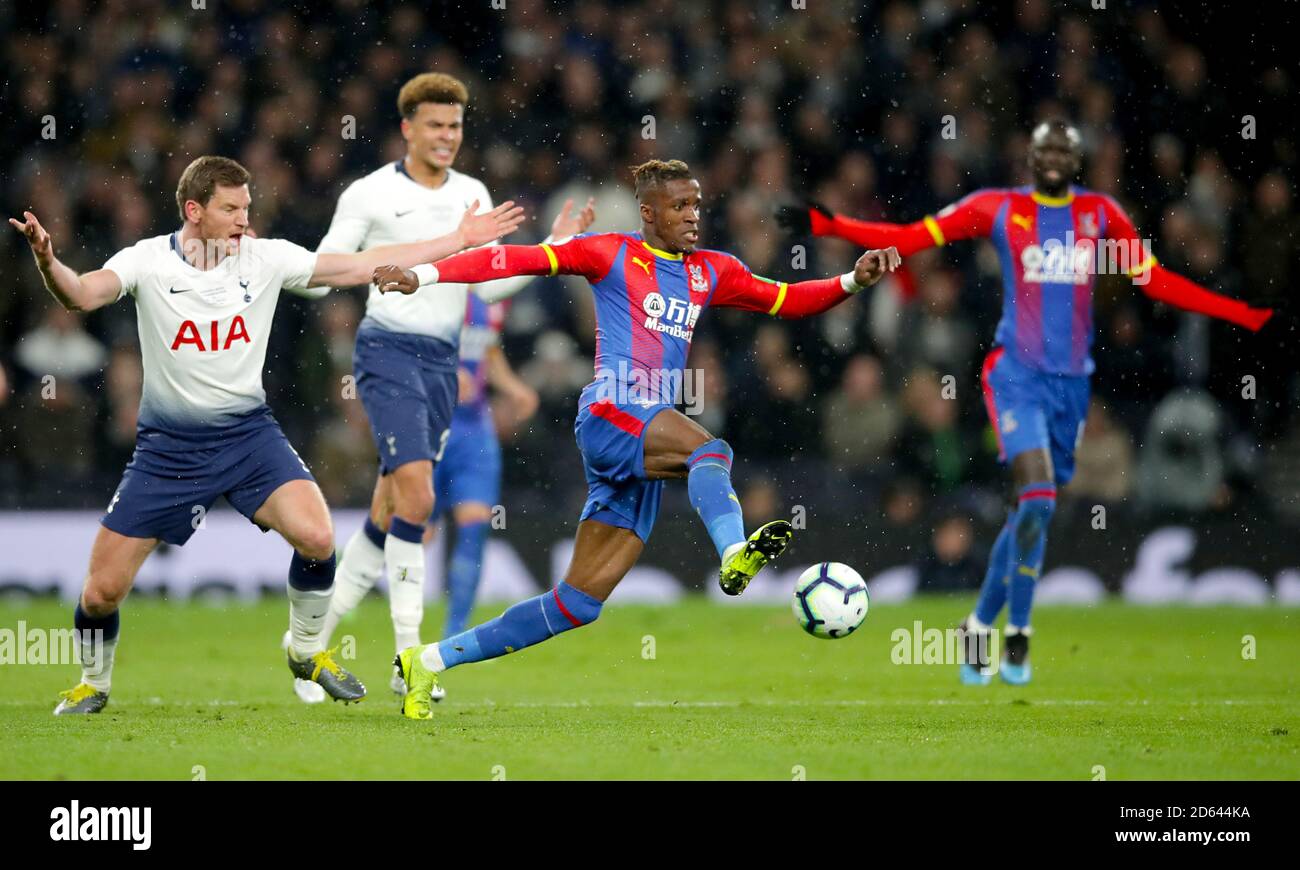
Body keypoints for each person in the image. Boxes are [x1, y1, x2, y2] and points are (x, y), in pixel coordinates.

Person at [372, 158, 900, 719]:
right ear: (648, 213)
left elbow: (788, 298)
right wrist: (424, 274)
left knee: (577, 603)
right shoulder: (609, 253)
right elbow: (509, 258)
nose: (693, 216)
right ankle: (734, 554)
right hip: (610, 410)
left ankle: (426, 661)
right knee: (711, 450)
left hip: (644, 438)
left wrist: (851, 281)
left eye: (696, 204)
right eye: (680, 206)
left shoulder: (712, 271)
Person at [8, 154, 522, 714]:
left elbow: (360, 265)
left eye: (247, 208)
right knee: (100, 593)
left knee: (318, 537)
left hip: (249, 438)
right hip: (168, 450)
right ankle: (93, 683)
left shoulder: (266, 258)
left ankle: (306, 653)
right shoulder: (148, 261)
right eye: (230, 209)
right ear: (194, 210)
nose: (242, 220)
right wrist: (46, 260)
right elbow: (81, 294)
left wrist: (456, 239)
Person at [778, 120, 1273, 685]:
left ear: (1077, 159)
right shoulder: (998, 208)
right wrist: (829, 223)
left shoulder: (1100, 215)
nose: (1056, 155)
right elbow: (912, 235)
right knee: (1036, 496)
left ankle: (981, 624)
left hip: (1072, 385)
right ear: (1030, 159)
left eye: (1066, 146)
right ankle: (1017, 630)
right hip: (1014, 375)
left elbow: (1154, 280)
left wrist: (1239, 312)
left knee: (1032, 512)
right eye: (1046, 148)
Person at [294, 72, 593, 704]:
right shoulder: (370, 194)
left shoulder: (474, 193)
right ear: (407, 128)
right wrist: (388, 262)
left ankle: (308, 649)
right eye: (435, 125)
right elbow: (318, 276)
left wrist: (554, 248)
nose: (447, 136)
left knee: (388, 511)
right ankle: (411, 660)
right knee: (419, 501)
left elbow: (483, 286)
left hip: (442, 363)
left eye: (455, 126)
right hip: (386, 354)